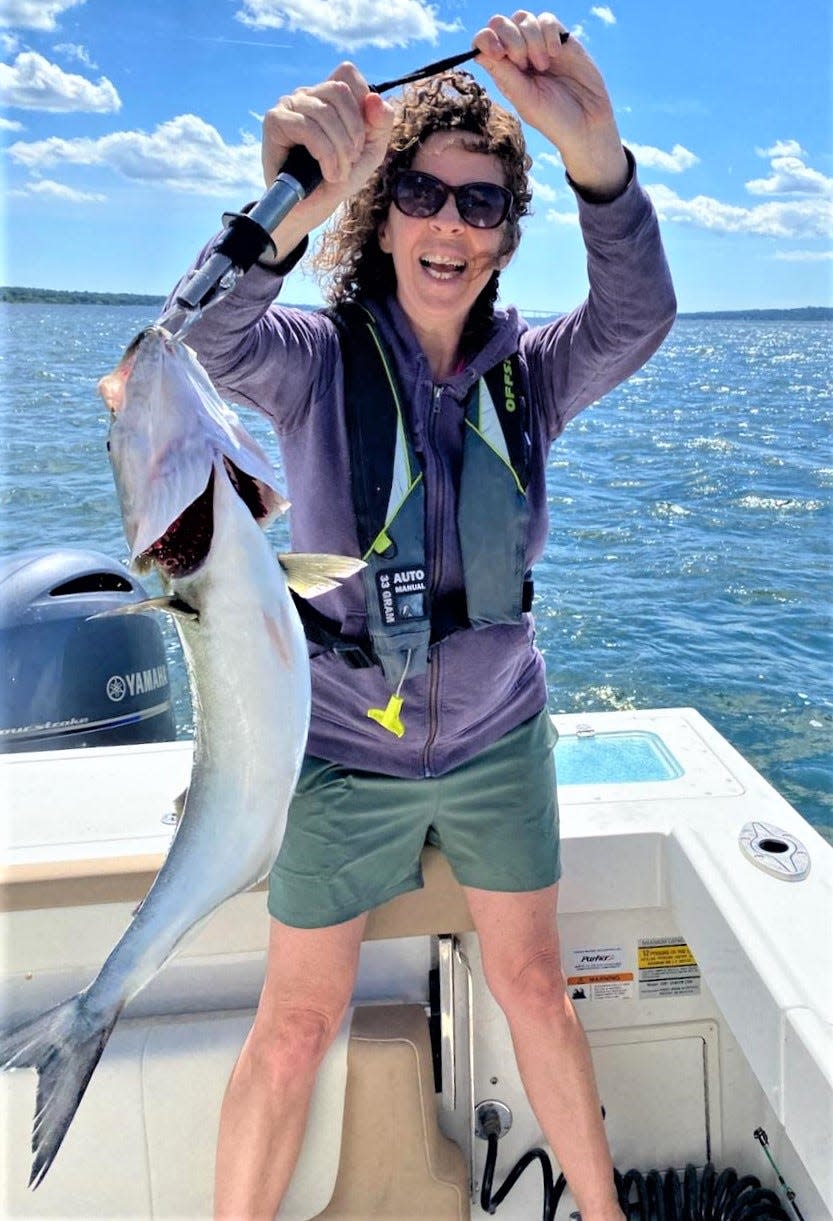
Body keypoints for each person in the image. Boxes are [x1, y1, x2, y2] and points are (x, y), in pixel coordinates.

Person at [177, 11, 675, 1219]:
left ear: (505, 237)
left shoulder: (534, 372)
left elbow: (637, 315)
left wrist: (593, 153)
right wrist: (288, 199)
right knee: (293, 1023)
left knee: (537, 987)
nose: (449, 222)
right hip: (342, 751)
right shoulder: (309, 357)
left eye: (481, 204)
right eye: (421, 193)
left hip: (499, 737)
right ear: (381, 209)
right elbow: (196, 341)